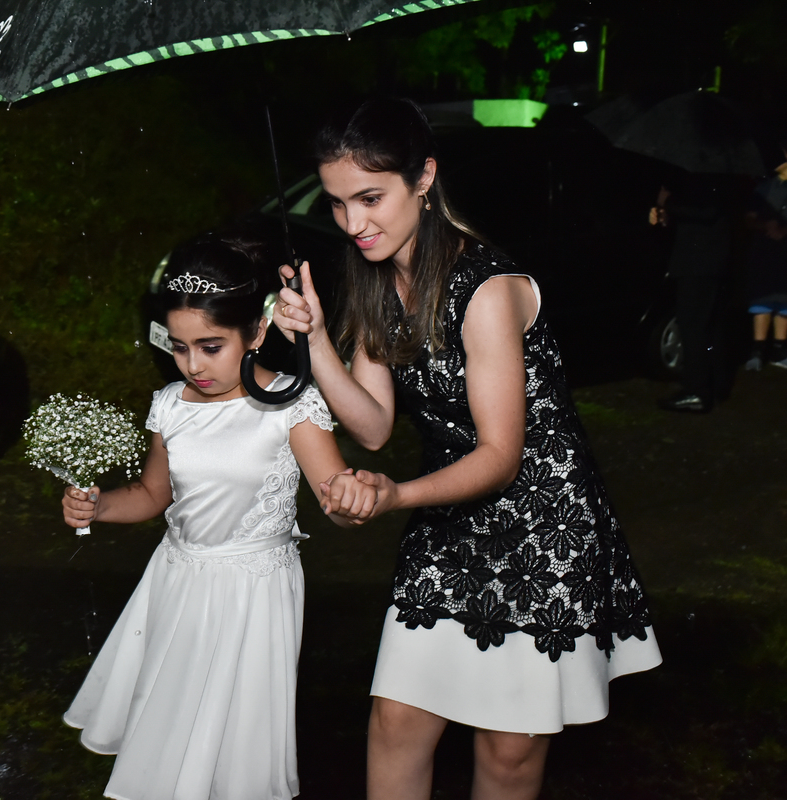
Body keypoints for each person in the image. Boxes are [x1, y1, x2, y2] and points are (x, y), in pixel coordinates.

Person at [272, 98, 662, 800]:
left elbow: (500, 456)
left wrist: (396, 495)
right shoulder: (374, 279)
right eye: (337, 203)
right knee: (396, 721)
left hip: (544, 525)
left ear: (423, 178)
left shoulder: (486, 288)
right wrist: (317, 341)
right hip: (451, 519)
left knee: (509, 750)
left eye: (370, 198)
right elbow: (373, 426)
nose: (353, 224)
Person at [60, 233, 370, 800]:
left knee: (233, 741)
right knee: (171, 725)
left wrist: (352, 501)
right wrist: (100, 506)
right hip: (176, 582)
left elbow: (338, 504)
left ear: (257, 332)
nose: (193, 365)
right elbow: (152, 495)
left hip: (254, 593)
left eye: (210, 346)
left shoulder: (292, 406)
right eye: (179, 347)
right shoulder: (170, 405)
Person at [648, 175, 733, 411]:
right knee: (707, 325)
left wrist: (668, 202)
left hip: (699, 263)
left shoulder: (708, 177)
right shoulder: (714, 174)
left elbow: (705, 211)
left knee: (693, 325)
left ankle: (697, 390)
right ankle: (714, 385)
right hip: (705, 261)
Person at [741, 141, 787, 371]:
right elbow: (748, 219)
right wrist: (765, 226)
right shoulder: (765, 187)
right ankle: (757, 352)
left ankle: (780, 351)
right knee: (762, 301)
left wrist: (784, 230)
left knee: (784, 302)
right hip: (764, 253)